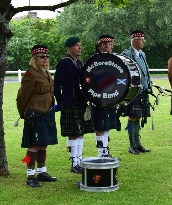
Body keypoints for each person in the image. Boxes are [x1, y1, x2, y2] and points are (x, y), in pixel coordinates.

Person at [17, 45, 58, 187]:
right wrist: (24, 114)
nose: (45, 59)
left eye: (47, 56)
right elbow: (22, 96)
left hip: (47, 112)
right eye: (42, 57)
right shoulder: (30, 74)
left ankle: (42, 172)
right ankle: (30, 175)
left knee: (43, 144)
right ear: (35, 59)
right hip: (35, 113)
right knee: (33, 145)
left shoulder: (46, 73)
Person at [54, 36, 94, 173]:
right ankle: (74, 163)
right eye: (77, 45)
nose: (80, 47)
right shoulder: (64, 63)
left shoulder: (80, 63)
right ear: (69, 47)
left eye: (80, 45)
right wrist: (61, 102)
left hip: (81, 101)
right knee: (73, 133)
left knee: (80, 132)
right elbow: (56, 85)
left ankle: (79, 161)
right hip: (69, 102)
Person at [120, 30, 152, 154]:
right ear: (133, 41)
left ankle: (138, 144)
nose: (143, 42)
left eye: (143, 39)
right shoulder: (127, 53)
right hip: (134, 90)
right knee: (133, 117)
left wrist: (149, 85)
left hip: (143, 90)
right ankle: (132, 145)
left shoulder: (142, 54)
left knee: (138, 117)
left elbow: (145, 72)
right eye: (140, 40)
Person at [92, 34, 119, 157]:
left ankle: (105, 150)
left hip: (110, 97)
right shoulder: (94, 61)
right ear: (102, 45)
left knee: (107, 125)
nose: (112, 48)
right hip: (98, 98)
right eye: (110, 45)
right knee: (100, 126)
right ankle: (100, 152)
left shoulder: (111, 60)